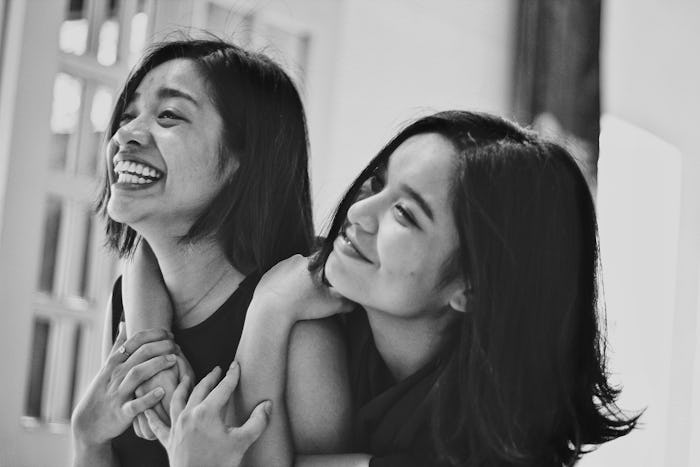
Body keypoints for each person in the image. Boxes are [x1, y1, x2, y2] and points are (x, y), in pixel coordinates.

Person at [142, 110, 639, 466]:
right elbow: (153, 238)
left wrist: (269, 312)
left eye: (404, 213)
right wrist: (148, 341)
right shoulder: (334, 288)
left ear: (474, 288)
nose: (359, 213)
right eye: (376, 184)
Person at [70, 38, 350, 467]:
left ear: (244, 158)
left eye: (169, 115)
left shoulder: (301, 328)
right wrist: (87, 440)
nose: (125, 134)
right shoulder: (130, 304)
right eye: (128, 115)